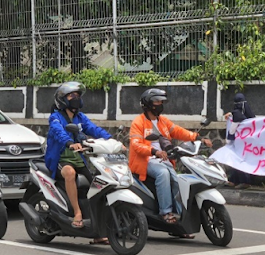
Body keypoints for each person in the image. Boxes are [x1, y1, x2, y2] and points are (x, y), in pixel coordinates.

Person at [129, 88, 212, 232]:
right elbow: (136, 145)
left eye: (161, 101)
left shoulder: (163, 121)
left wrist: (198, 138)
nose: (160, 104)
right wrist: (155, 151)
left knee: (177, 179)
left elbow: (179, 131)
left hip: (163, 159)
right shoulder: (138, 122)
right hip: (145, 160)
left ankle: (180, 215)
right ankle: (165, 212)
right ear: (148, 104)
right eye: (157, 101)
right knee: (163, 174)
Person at [45, 81, 113, 243]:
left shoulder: (80, 118)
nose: (76, 98)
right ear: (63, 99)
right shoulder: (55, 118)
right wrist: (70, 143)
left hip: (78, 159)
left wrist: (112, 140)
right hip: (60, 159)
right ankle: (77, 213)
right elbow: (59, 132)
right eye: (71, 95)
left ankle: (98, 226)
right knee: (70, 173)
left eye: (77, 95)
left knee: (97, 186)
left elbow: (94, 129)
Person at [224, 93, 256, 189]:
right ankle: (233, 180)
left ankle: (245, 181)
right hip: (247, 142)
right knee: (238, 161)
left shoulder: (237, 114)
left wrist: (228, 140)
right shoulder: (247, 113)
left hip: (240, 143)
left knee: (240, 161)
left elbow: (233, 129)